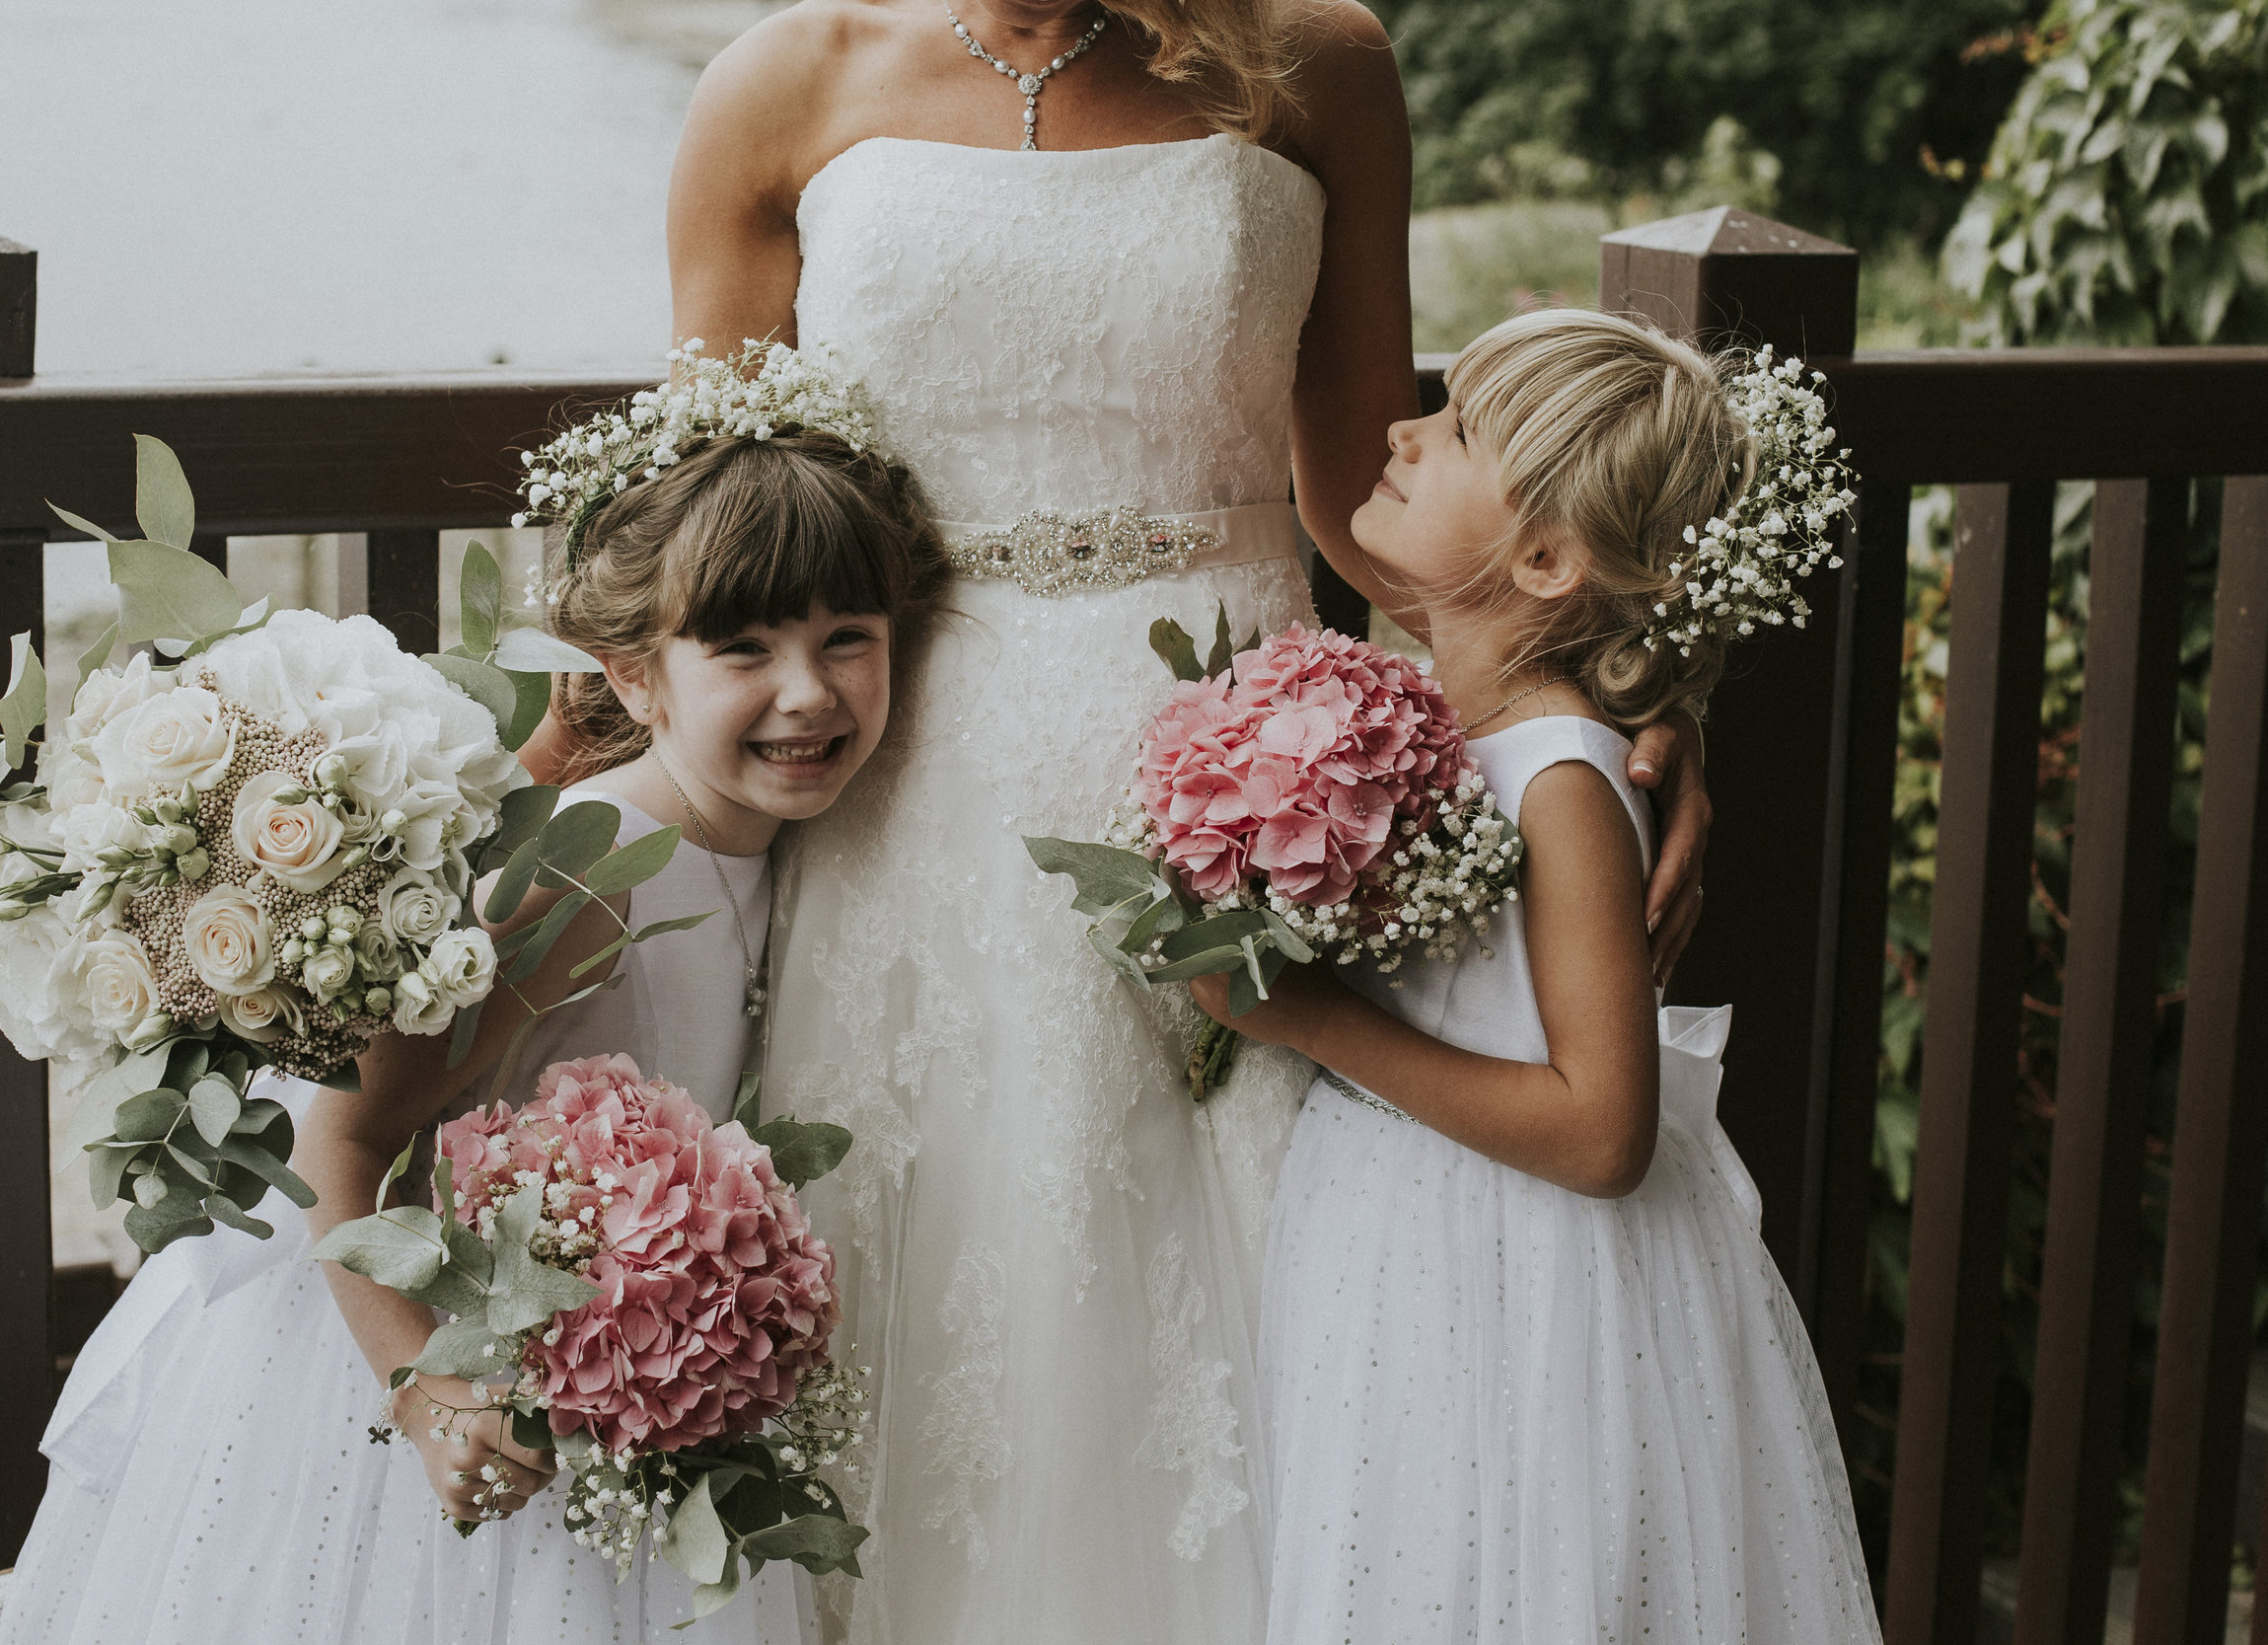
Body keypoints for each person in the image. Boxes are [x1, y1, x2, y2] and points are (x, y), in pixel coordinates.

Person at [575, 4, 1715, 1642]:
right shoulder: (779, 84)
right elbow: (719, 545)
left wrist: (1614, 705)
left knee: (1250, 1298)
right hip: (913, 796)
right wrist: (537, 784)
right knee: (934, 1298)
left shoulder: (1319, 60)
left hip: (1267, 799)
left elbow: (1370, 502)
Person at [0, 425, 948, 1645]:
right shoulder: (586, 874)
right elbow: (338, 1148)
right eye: (745, 647)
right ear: (638, 676)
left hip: (597, 1382)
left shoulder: (787, 854)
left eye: (845, 641)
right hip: (412, 1368)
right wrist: (426, 1394)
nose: (807, 691)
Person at [1198, 309, 1880, 1643]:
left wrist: (1313, 1018)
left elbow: (1603, 1127)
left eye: (1454, 431)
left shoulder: (1562, 780)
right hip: (1396, 1241)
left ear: (1550, 556)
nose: (1401, 430)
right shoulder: (1415, 721)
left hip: (1514, 1275)